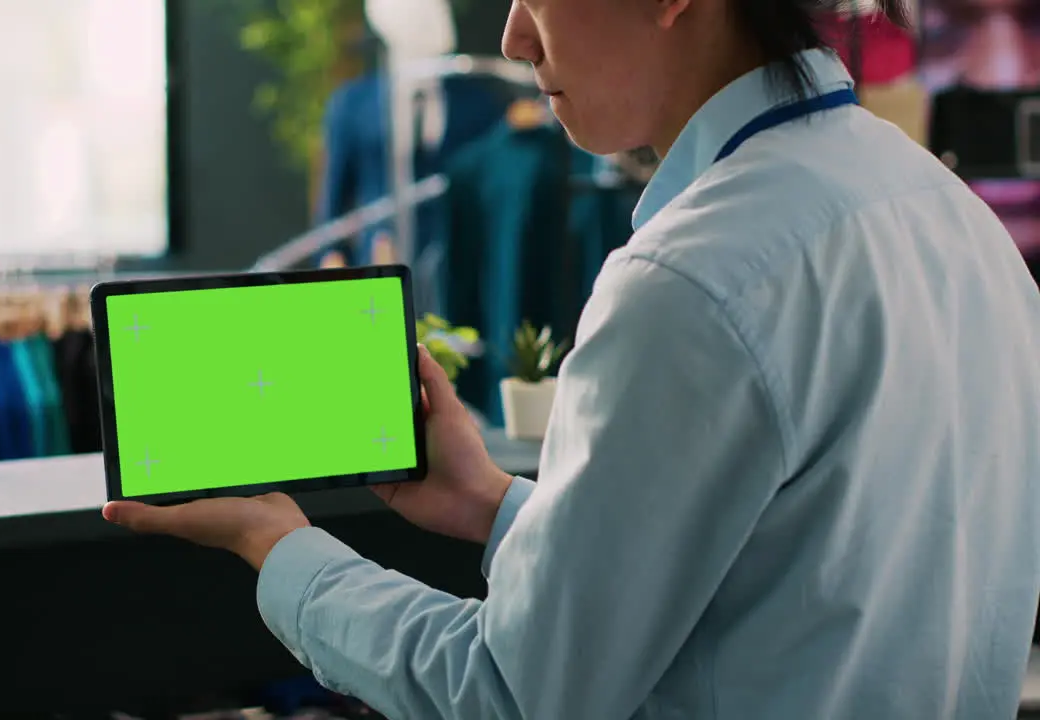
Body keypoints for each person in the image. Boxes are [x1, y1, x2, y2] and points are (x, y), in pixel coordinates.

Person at [104, 0, 1040, 716]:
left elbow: (511, 695)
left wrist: (276, 547)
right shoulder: (949, 213)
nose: (514, 37)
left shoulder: (691, 275)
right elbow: (791, 580)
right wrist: (495, 506)